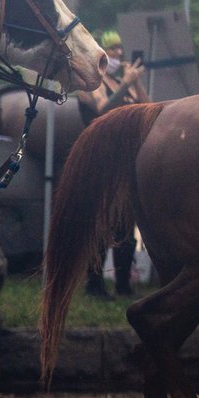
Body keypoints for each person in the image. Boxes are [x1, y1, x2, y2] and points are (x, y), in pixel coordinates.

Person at [78, 30, 148, 297]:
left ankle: (122, 284)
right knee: (101, 223)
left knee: (126, 226)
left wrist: (135, 82)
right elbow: (102, 110)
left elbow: (147, 107)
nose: (119, 52)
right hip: (100, 161)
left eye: (120, 47)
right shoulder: (91, 84)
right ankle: (94, 284)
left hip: (125, 161)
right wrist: (123, 85)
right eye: (112, 48)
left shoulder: (124, 81)